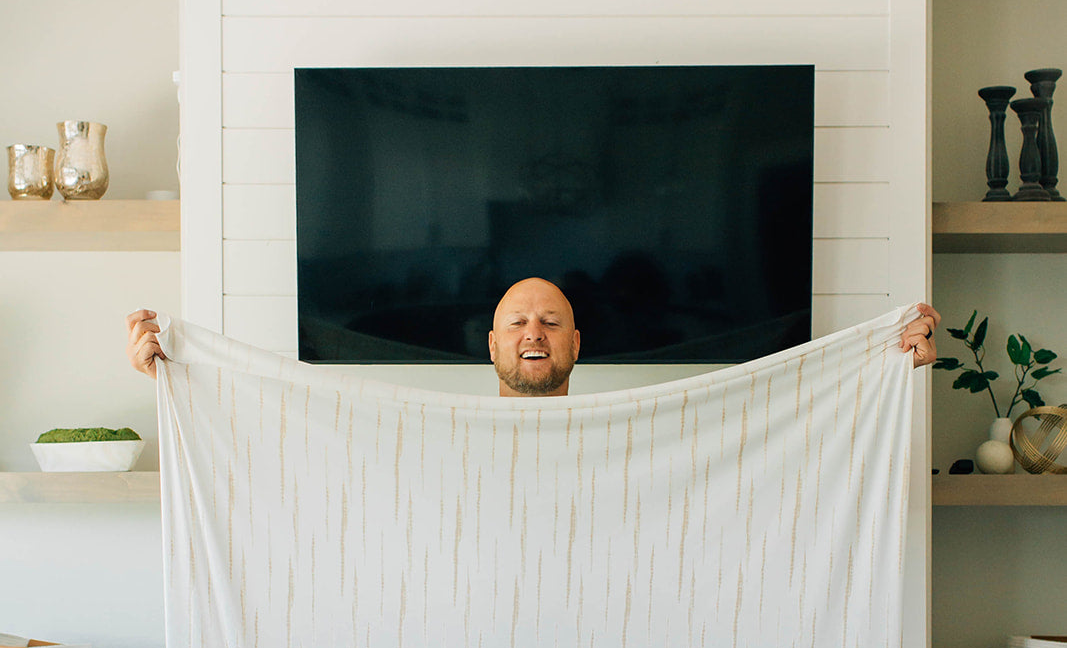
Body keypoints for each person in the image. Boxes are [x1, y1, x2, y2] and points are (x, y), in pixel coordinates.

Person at [125, 288, 940, 383]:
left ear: (577, 345)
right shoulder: (432, 442)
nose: (533, 332)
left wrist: (889, 366)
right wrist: (170, 376)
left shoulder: (642, 440)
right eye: (517, 322)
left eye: (551, 322)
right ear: (490, 345)